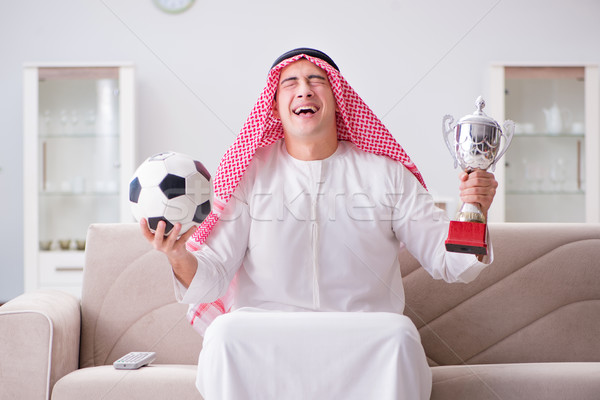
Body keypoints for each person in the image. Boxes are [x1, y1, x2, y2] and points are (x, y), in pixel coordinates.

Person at [140, 48, 498, 400]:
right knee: (224, 334)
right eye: (290, 83)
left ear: (338, 97)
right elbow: (212, 277)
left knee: (400, 335)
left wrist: (475, 207)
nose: (304, 90)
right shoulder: (249, 174)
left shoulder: (387, 174)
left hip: (362, 335)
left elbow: (451, 262)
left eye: (316, 80)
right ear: (275, 106)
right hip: (267, 335)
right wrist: (177, 255)